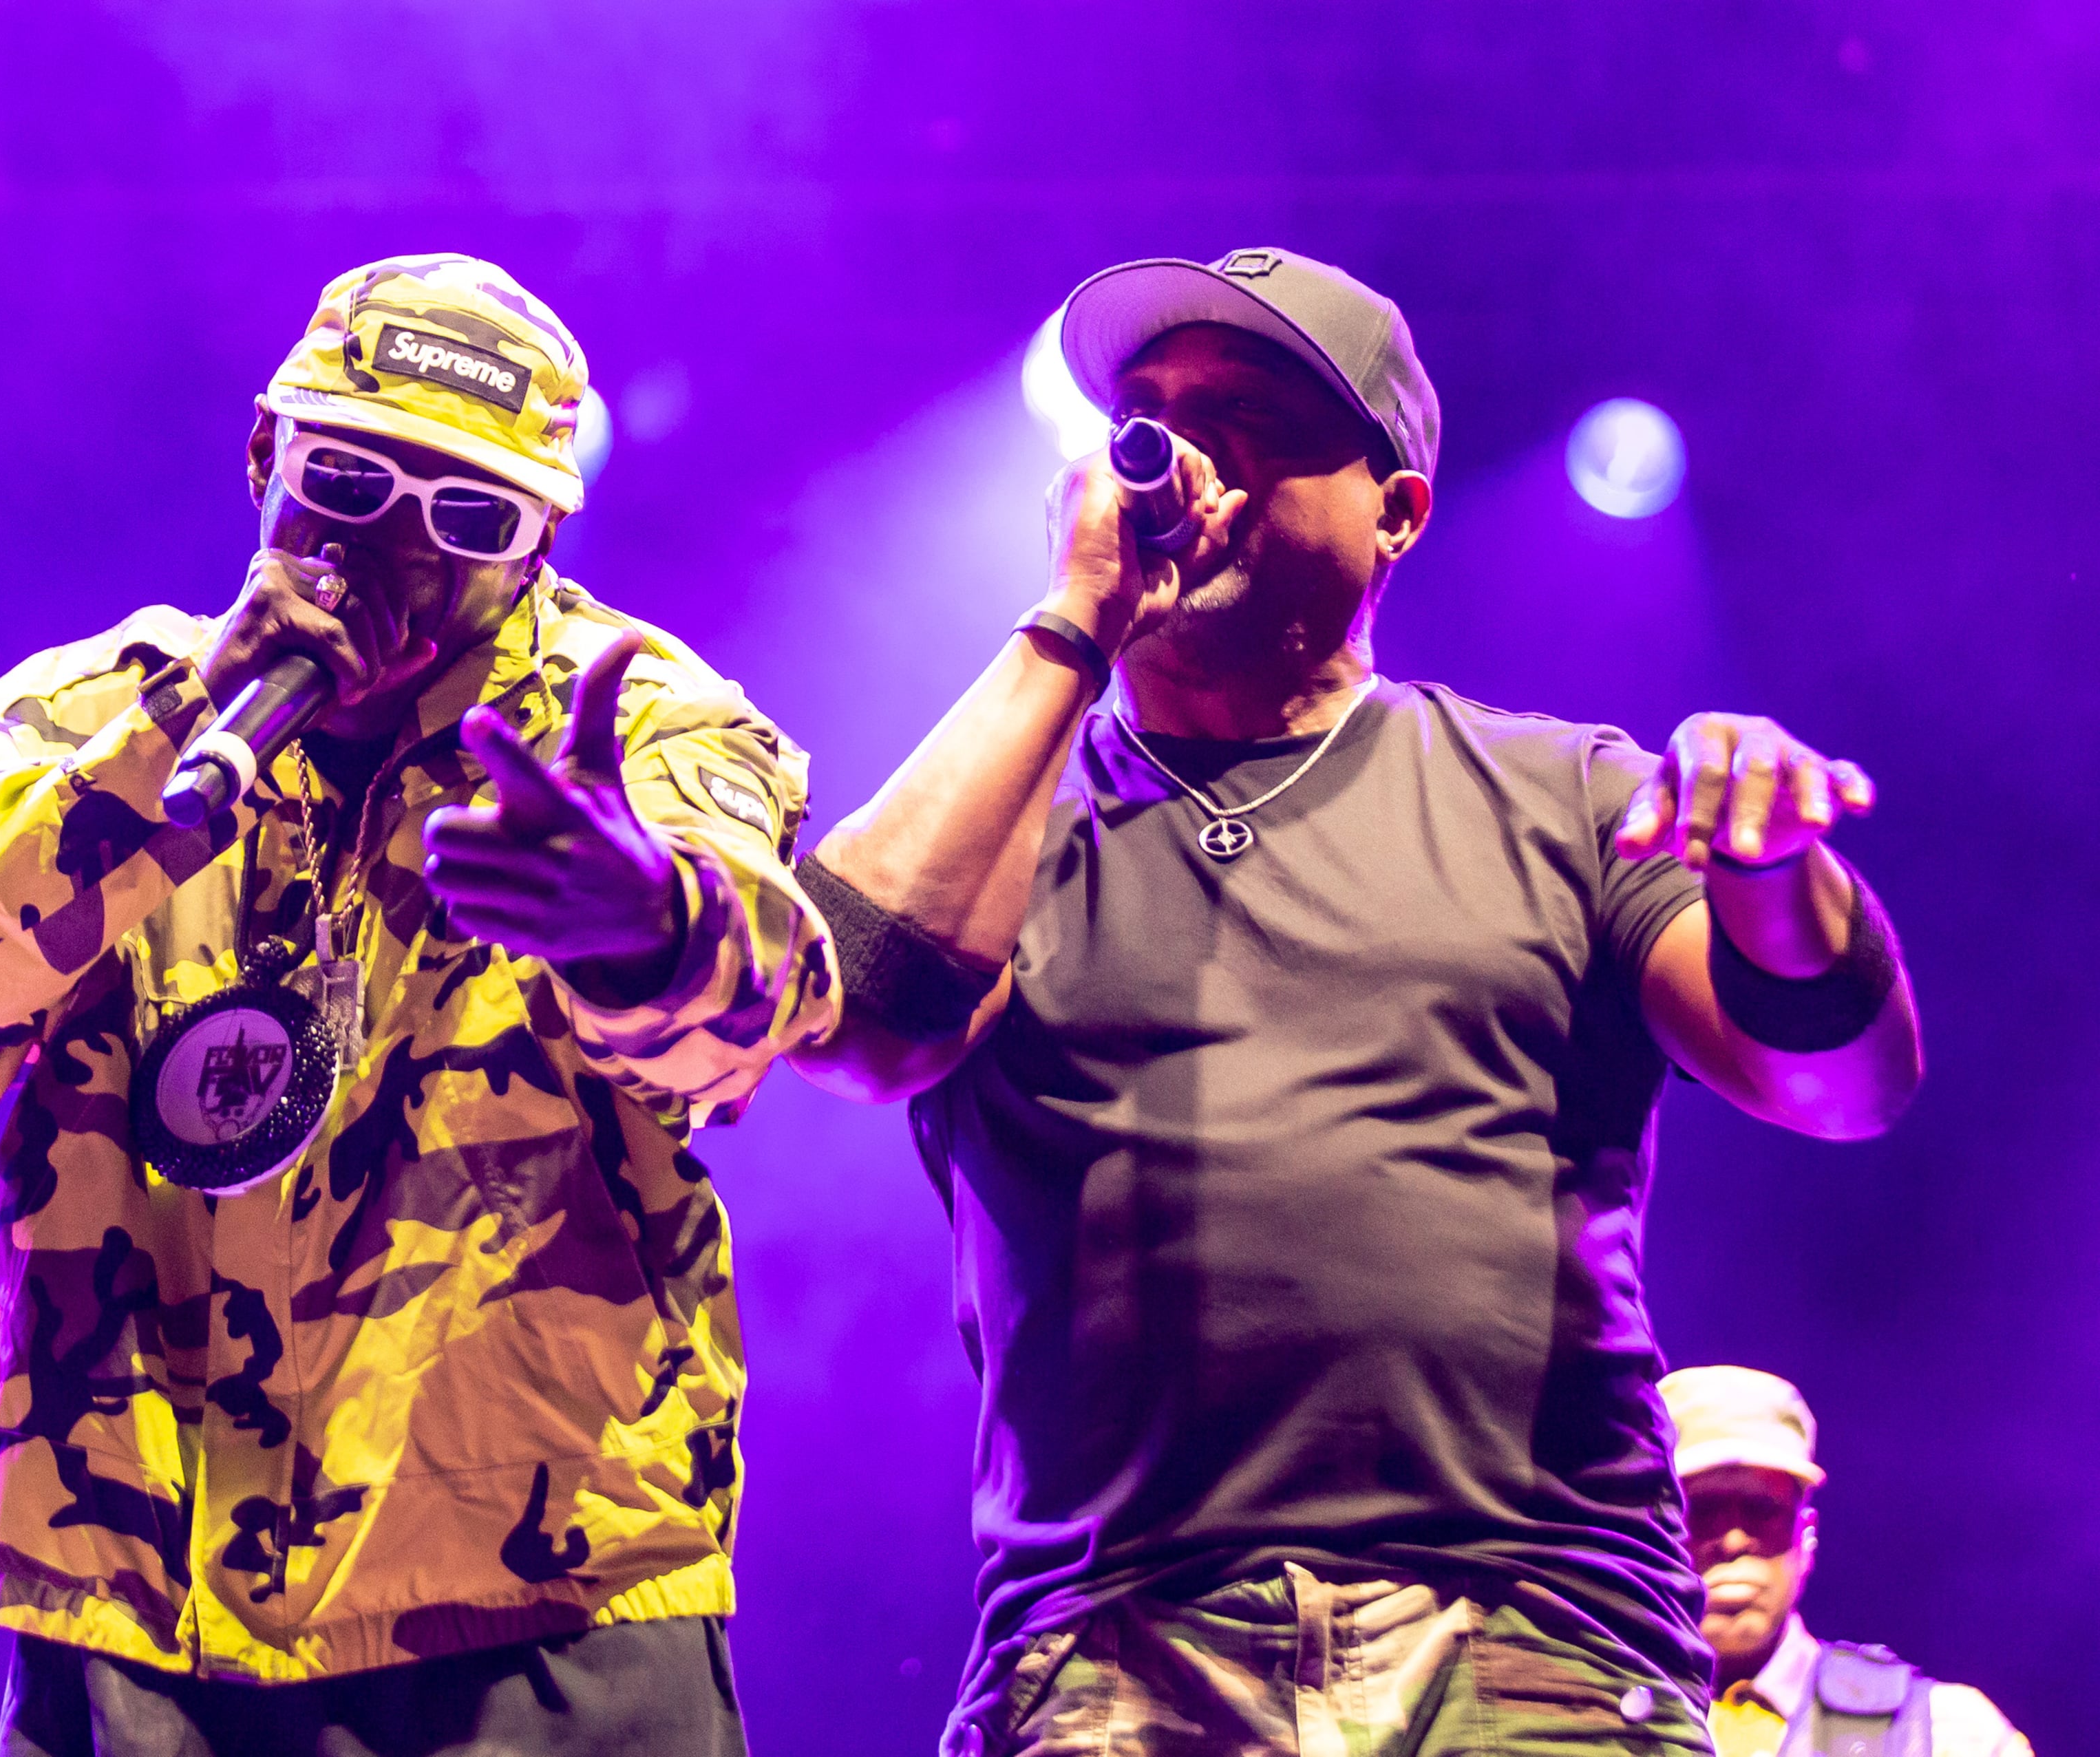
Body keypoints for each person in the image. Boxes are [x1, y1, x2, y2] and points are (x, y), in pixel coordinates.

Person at [789, 247, 1924, 1755]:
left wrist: (1776, 870)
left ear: (1399, 508)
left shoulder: (1562, 790)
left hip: (1536, 1627)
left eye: (1248, 412)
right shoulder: (1005, 832)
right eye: (1147, 410)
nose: (1183, 453)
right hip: (1120, 1646)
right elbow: (856, 1020)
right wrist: (1074, 623)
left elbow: (1840, 1081)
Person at [0, 253, 837, 1756]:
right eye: (347, 481)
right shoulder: (106, 708)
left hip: (537, 1616)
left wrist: (645, 926)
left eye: (467, 518)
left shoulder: (637, 727)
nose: (394, 553)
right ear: (265, 454)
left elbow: (770, 1000)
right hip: (139, 1610)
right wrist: (155, 764)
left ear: (538, 545)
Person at [1659, 1366, 2033, 1757]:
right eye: (1701, 1510)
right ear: (1656, 1536)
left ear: (1806, 1535)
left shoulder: (1948, 1732)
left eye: (1761, 1508)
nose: (1734, 1541)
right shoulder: (1599, 1713)